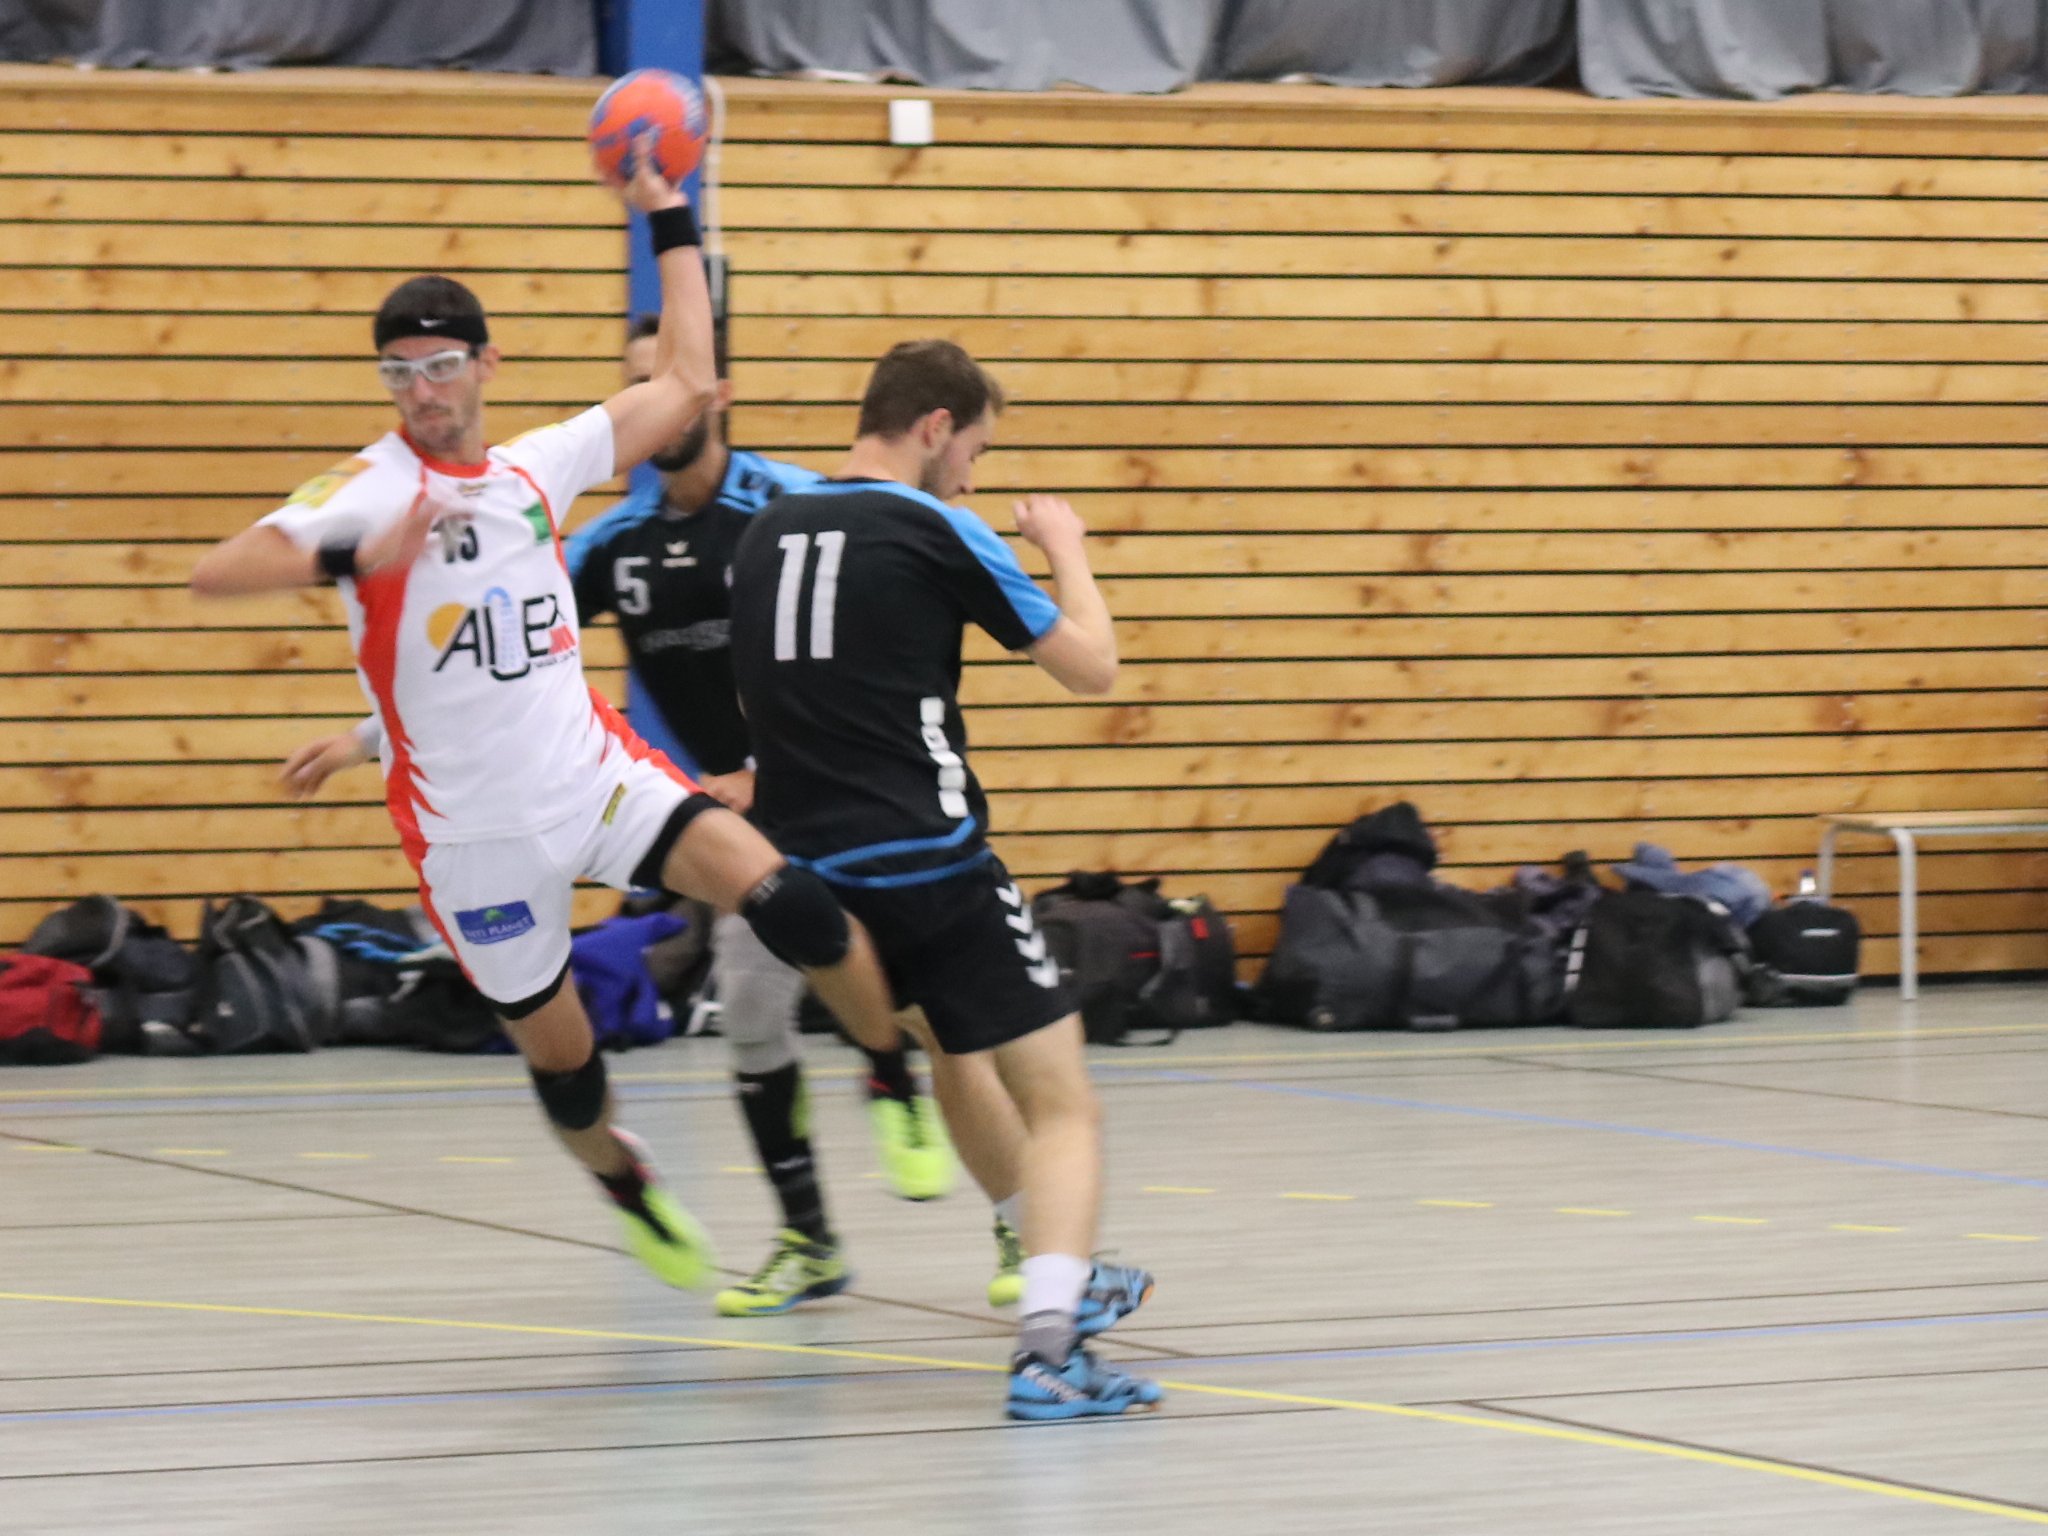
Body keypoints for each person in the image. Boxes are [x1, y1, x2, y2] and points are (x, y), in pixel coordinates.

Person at [189, 153, 903, 1300]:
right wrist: (352, 550)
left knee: (787, 898)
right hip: (471, 840)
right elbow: (219, 571)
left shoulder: (536, 468)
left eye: (439, 366)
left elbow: (686, 378)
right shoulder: (366, 486)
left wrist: (670, 214)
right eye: (399, 372)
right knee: (566, 1073)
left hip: (592, 781)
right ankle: (625, 1181)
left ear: (484, 365)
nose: (421, 390)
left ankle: (890, 1076)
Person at [283, 319, 1030, 1321]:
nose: (651, 406)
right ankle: (810, 1242)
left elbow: (872, 641)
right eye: (631, 383)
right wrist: (367, 735)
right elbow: (488, 646)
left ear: (707, 395)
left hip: (847, 801)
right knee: (753, 1021)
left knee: (939, 1014)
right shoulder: (617, 543)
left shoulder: (791, 509)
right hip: (736, 817)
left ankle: (1026, 1225)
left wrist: (769, 768)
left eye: (661, 382)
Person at [726, 340, 1162, 1419]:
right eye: (974, 448)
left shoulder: (764, 532)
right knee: (1064, 1105)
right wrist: (1066, 549)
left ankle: (1052, 1260)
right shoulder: (935, 526)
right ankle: (1050, 1350)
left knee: (952, 1049)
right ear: (933, 426)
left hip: (808, 883)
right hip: (928, 865)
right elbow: (1092, 667)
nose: (970, 473)